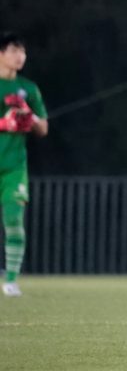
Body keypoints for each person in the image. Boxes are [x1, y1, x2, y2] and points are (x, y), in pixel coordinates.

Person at [0, 33, 48, 297]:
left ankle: (10, 280)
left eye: (23, 51)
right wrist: (4, 123)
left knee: (13, 220)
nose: (20, 56)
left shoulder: (28, 89)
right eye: (14, 50)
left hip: (14, 166)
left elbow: (43, 128)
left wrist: (29, 116)